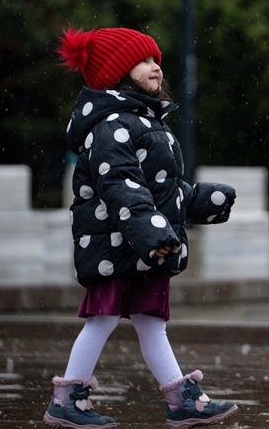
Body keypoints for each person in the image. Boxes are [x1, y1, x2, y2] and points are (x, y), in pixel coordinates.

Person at [45, 27, 240, 429]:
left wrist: (198, 200)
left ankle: (180, 400)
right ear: (116, 72)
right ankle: (66, 400)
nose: (155, 67)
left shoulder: (146, 123)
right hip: (115, 244)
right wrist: (150, 232)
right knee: (102, 319)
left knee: (151, 322)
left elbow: (160, 189)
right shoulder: (111, 125)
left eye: (156, 60)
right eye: (144, 61)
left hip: (143, 244)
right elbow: (121, 186)